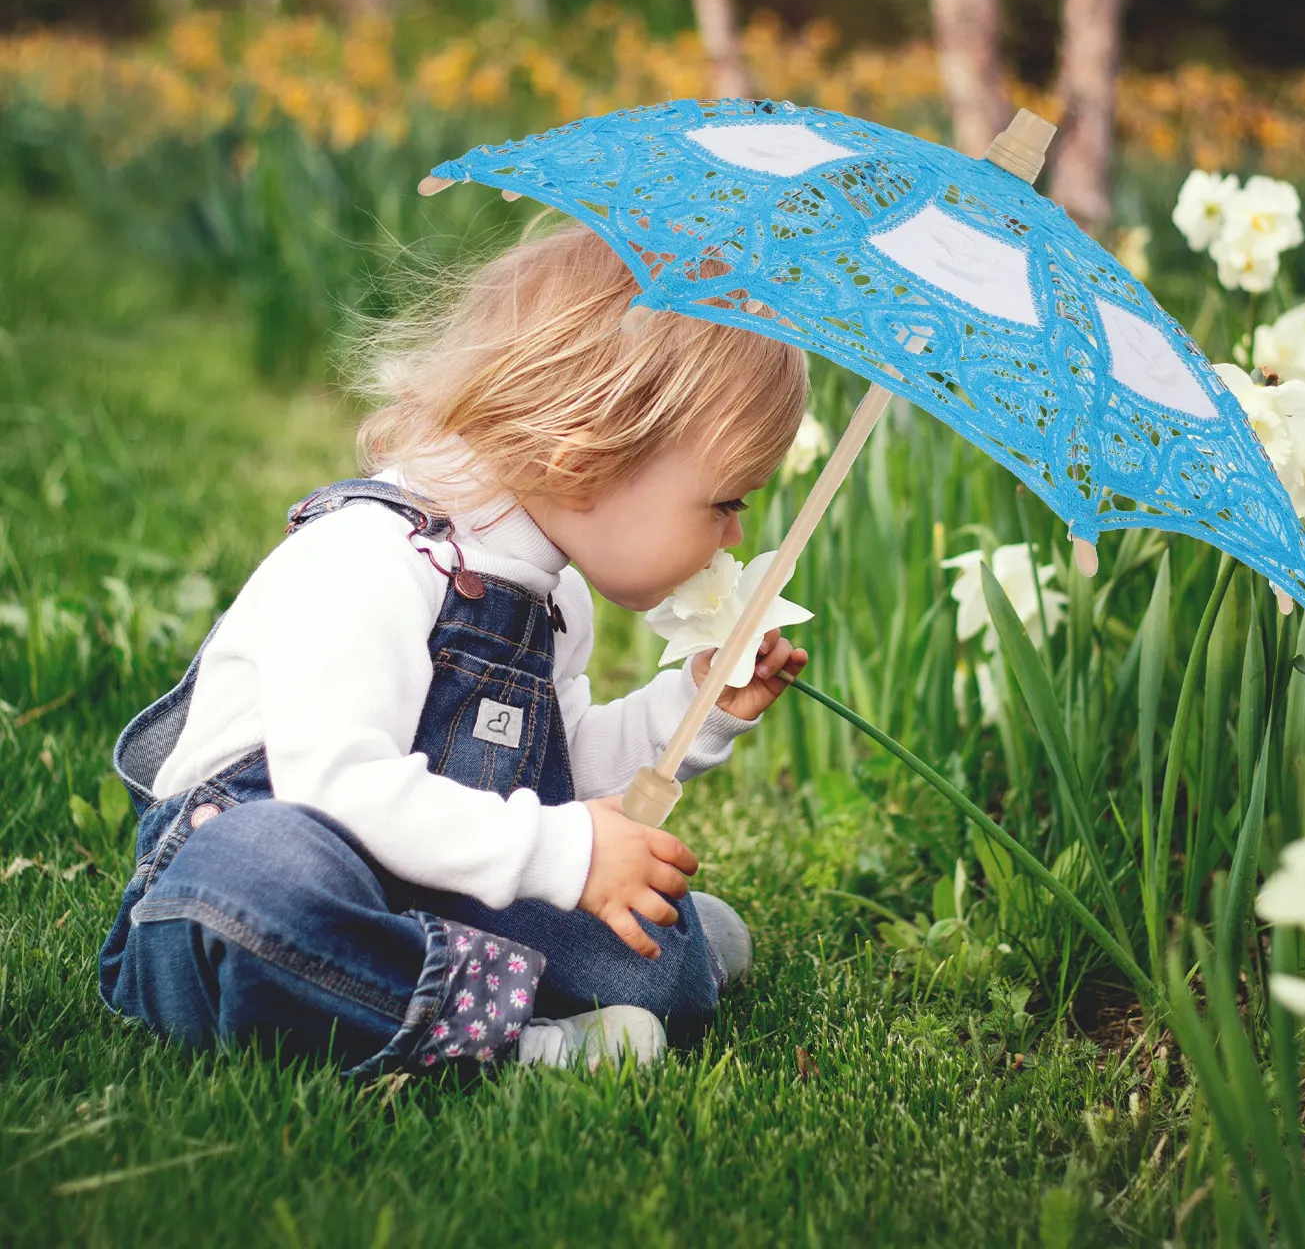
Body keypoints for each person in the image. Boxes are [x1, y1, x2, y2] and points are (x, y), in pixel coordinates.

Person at [98, 223, 811, 1077]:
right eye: (724, 502)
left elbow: (558, 771)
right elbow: (336, 788)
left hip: (426, 880)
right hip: (260, 883)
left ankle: (486, 978)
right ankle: (513, 1042)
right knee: (260, 880)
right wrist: (567, 854)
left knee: (655, 953)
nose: (736, 531)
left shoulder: (553, 599)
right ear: (584, 459)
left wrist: (691, 711)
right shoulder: (372, 558)